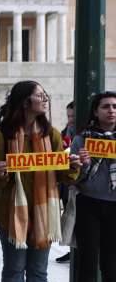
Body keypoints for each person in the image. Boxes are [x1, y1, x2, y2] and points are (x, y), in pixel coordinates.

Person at [0, 81, 81, 282]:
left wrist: (72, 165)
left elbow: (62, 175)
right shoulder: (1, 136)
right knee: (15, 268)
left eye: (45, 95)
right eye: (40, 95)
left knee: (39, 270)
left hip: (43, 213)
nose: (46, 99)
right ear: (24, 102)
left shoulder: (50, 135)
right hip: (11, 212)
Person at [68, 91, 116, 282]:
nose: (111, 111)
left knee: (111, 268)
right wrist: (80, 165)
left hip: (114, 208)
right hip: (88, 205)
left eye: (115, 107)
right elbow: (71, 179)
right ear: (95, 112)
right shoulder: (82, 139)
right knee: (87, 266)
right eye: (105, 106)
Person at [56, 101, 75, 264]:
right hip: (65, 183)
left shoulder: (85, 134)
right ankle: (71, 249)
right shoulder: (64, 133)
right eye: (68, 115)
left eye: (73, 115)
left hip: (77, 181)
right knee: (67, 214)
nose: (70, 119)